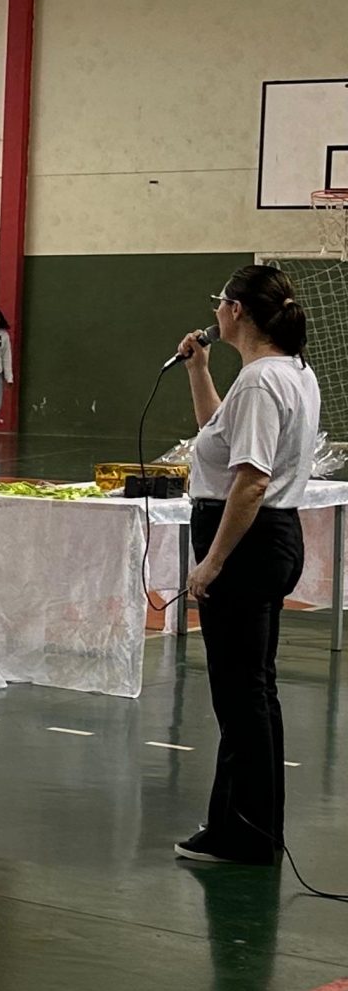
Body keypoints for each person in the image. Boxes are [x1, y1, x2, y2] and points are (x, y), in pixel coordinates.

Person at [174, 266, 321, 867]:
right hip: (272, 540)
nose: (216, 312)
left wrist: (212, 561)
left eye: (220, 302)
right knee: (253, 691)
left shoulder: (261, 381)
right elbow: (219, 435)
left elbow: (252, 480)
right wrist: (199, 371)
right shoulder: (287, 372)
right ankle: (246, 823)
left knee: (240, 696)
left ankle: (246, 834)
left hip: (248, 544)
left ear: (236, 311)